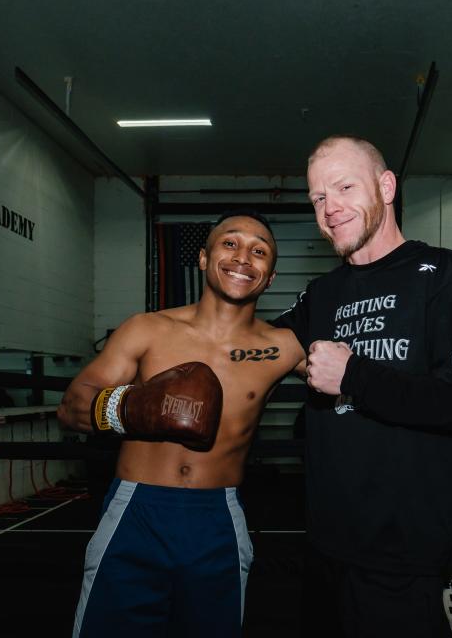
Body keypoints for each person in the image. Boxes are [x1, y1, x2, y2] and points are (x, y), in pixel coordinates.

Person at [272, 135, 452, 637]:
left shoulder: (442, 274)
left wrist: (354, 376)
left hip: (404, 555)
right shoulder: (322, 292)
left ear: (385, 186)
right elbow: (265, 345)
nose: (329, 208)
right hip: (325, 547)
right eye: (317, 197)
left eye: (343, 187)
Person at [58, 211, 305, 638]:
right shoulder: (148, 328)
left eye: (259, 250)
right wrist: (133, 408)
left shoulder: (283, 346)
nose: (243, 257)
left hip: (218, 518)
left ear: (270, 275)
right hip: (137, 511)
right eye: (230, 244)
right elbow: (72, 406)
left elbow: (354, 377)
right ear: (205, 258)